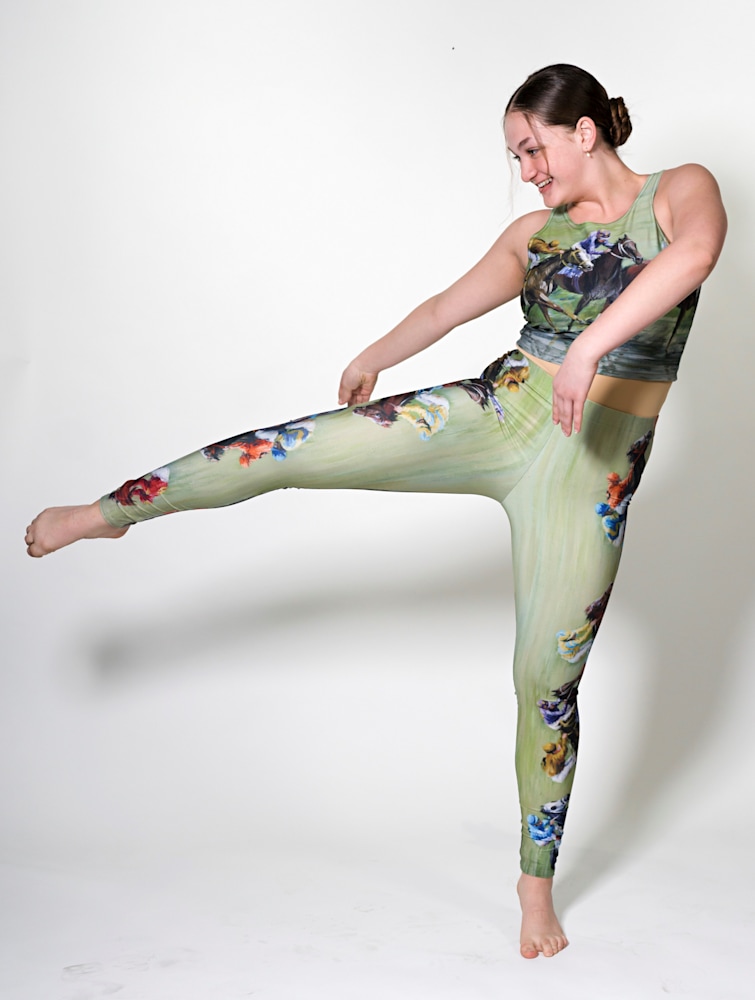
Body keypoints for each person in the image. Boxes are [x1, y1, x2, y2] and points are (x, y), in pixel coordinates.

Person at [24, 64, 727, 959]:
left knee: (544, 681)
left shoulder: (679, 190)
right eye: (514, 157)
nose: (525, 172)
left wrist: (589, 348)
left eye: (532, 149)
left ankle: (533, 886)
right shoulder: (532, 236)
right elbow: (443, 308)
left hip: (591, 473)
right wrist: (375, 354)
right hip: (502, 412)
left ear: (583, 131)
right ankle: (106, 512)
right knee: (289, 450)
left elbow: (692, 257)